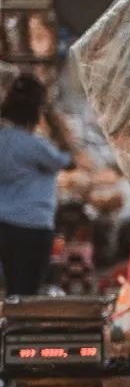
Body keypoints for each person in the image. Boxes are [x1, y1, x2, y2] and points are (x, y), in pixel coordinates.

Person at [0, 74, 75, 295]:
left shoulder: (3, 140)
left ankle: (10, 328)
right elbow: (69, 160)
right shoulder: (35, 146)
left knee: (13, 290)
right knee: (26, 292)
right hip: (32, 227)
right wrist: (54, 120)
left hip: (4, 224)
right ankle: (19, 328)